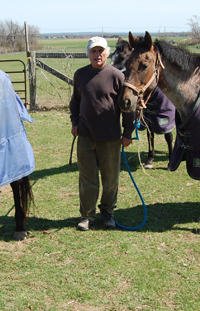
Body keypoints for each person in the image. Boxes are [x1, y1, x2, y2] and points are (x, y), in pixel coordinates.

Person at [69, 37, 134, 231]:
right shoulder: (80, 75)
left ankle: (108, 212)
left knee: (111, 178)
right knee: (87, 178)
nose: (97, 55)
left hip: (111, 137)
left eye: (100, 51)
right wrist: (75, 122)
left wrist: (128, 132)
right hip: (86, 136)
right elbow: (75, 102)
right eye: (93, 51)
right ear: (88, 53)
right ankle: (87, 215)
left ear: (107, 53)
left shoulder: (117, 76)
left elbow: (127, 106)